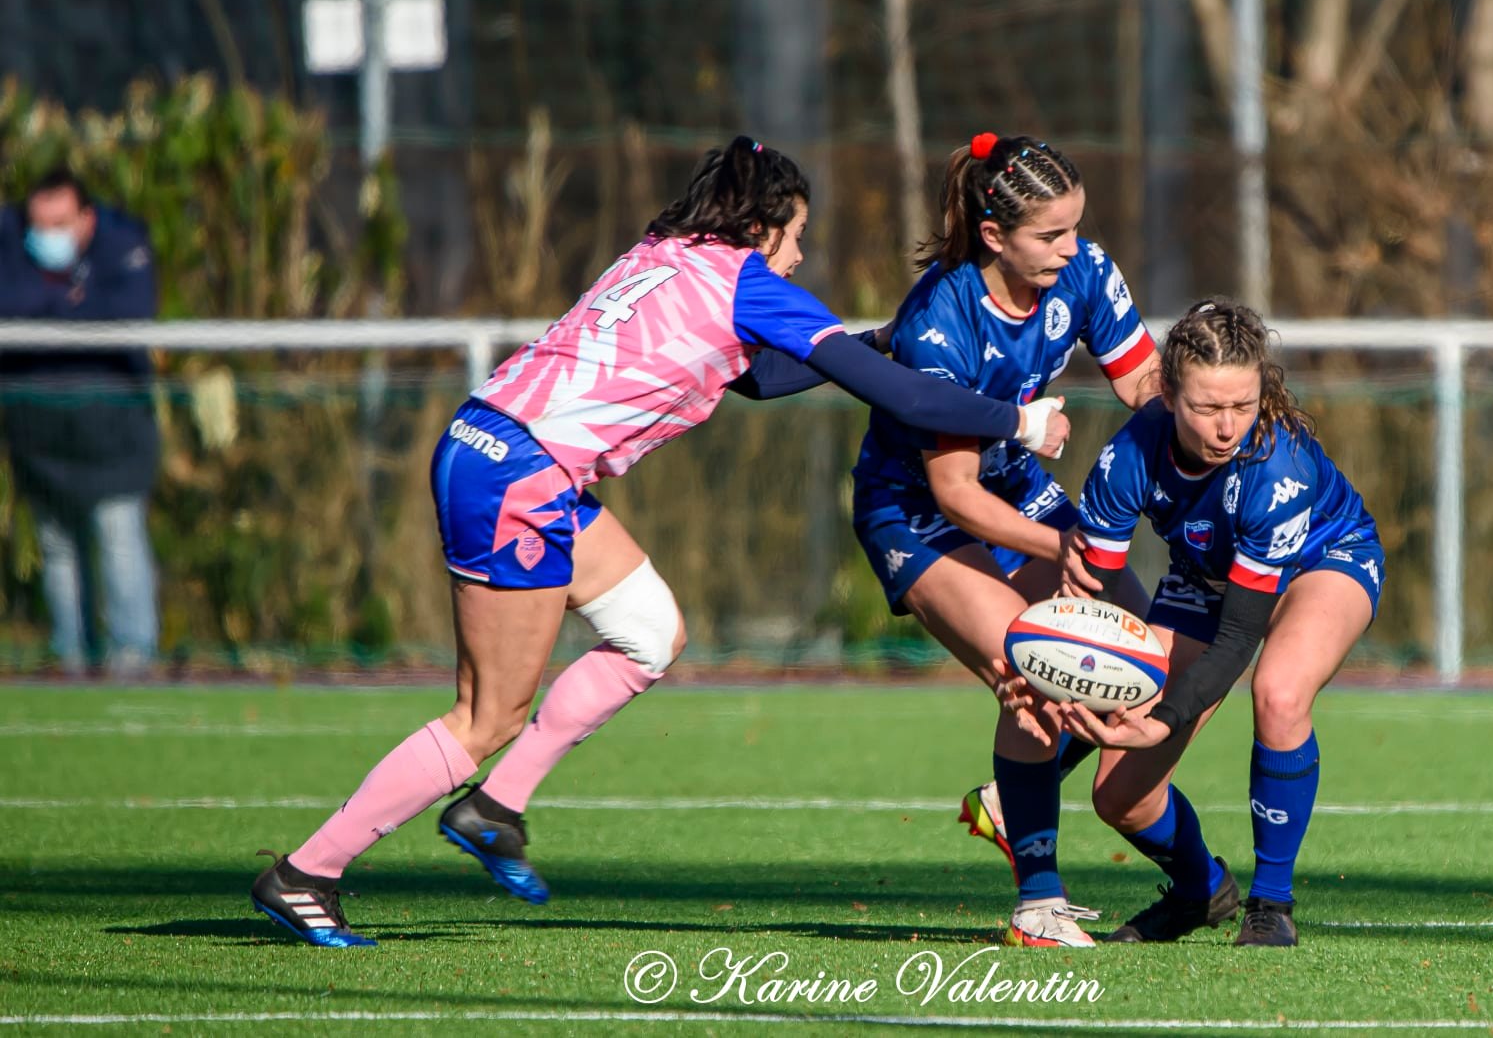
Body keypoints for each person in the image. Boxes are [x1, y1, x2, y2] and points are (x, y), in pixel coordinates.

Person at [248, 136, 1074, 948]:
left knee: (649, 633)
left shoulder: (664, 250)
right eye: (797, 238)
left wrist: (876, 344)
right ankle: (308, 873)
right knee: (485, 714)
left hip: (503, 448)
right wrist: (1017, 419)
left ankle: (494, 808)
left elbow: (758, 375)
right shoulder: (749, 279)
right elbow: (901, 397)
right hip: (520, 476)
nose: (798, 257)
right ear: (763, 228)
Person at [848, 132, 1158, 949]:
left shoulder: (1082, 270)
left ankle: (1006, 799)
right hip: (914, 514)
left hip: (1014, 487)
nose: (1072, 248)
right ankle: (1038, 903)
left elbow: (1143, 385)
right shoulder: (938, 320)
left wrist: (1215, 414)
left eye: (1076, 228)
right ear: (994, 236)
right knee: (1037, 671)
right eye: (1051, 235)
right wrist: (1063, 550)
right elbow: (955, 492)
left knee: (1148, 658)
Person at [1050, 298, 1384, 947]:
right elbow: (1096, 601)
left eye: (1243, 405)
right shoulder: (1128, 460)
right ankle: (1201, 890)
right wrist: (1075, 702)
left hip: (1324, 557)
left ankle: (1271, 903)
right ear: (1169, 394)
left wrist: (1166, 716)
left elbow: (1237, 639)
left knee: (1279, 691)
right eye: (1207, 408)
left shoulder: (1273, 466)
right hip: (1206, 575)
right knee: (1119, 798)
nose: (1227, 425)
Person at [0, 168, 160, 678]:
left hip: (112, 436)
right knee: (58, 550)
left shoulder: (122, 245)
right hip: (38, 438)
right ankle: (72, 660)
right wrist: (65, 306)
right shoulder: (10, 246)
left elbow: (129, 313)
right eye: (39, 225)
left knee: (119, 541)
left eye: (61, 223)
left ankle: (131, 659)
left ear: (86, 218)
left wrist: (50, 316)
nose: (47, 236)